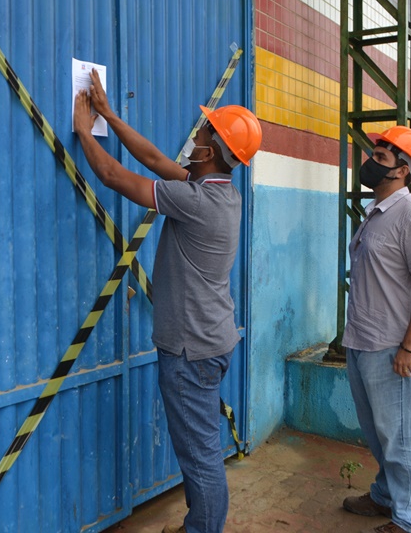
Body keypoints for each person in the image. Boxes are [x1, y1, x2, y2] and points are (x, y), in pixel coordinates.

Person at [73, 69, 261, 533]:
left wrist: (83, 130)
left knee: (199, 456)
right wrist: (111, 117)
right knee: (200, 449)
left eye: (203, 131)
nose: (195, 133)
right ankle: (201, 522)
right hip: (209, 342)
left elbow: (114, 175)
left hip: (190, 350)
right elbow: (155, 159)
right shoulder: (219, 194)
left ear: (209, 150)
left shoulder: (195, 201)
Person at [342, 125, 411, 533]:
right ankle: (387, 495)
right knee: (380, 433)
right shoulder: (376, 213)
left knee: (402, 439)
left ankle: (408, 521)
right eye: (373, 154)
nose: (370, 161)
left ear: (403, 171)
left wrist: (410, 345)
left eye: (381, 158)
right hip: (365, 341)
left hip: (395, 348)